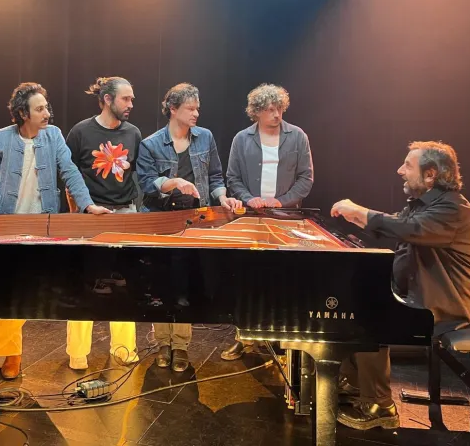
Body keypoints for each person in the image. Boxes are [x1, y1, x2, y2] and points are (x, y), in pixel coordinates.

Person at [330, 141, 470, 430]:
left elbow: (410, 229)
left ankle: (379, 407)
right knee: (353, 303)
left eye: (408, 166)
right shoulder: (424, 204)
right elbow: (397, 223)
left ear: (430, 174)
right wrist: (357, 217)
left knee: (371, 317)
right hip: (425, 296)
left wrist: (360, 211)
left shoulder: (454, 208)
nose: (400, 170)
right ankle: (356, 384)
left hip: (448, 305)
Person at [0, 82, 110, 379]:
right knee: (2, 289)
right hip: (7, 223)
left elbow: (70, 171)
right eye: (39, 109)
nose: (47, 113)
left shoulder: (54, 136)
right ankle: (0, 350)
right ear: (23, 113)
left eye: (46, 107)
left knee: (26, 293)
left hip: (43, 224)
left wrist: (88, 205)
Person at [137, 82, 241, 372]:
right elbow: (146, 182)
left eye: (198, 108)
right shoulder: (151, 143)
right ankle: (163, 343)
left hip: (194, 220)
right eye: (190, 108)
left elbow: (216, 176)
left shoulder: (205, 137)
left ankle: (181, 345)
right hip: (160, 218)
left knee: (185, 283)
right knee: (160, 281)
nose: (196, 113)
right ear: (173, 109)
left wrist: (223, 197)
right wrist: (174, 182)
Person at [222, 83, 314, 360]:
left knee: (283, 279)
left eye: (280, 109)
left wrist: (282, 201)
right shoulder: (242, 139)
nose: (277, 115)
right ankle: (245, 337)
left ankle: (280, 340)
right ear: (257, 112)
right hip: (252, 217)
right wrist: (249, 198)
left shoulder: (297, 136)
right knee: (248, 280)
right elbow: (233, 178)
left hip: (286, 218)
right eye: (271, 110)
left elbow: (306, 178)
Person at [63, 77, 142, 370]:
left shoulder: (133, 133)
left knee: (124, 282)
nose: (130, 104)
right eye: (125, 99)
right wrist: (76, 212)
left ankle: (123, 348)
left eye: (131, 99)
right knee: (85, 283)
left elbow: (137, 173)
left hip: (125, 214)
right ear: (107, 99)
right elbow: (68, 174)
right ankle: (77, 351)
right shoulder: (80, 132)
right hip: (90, 216)